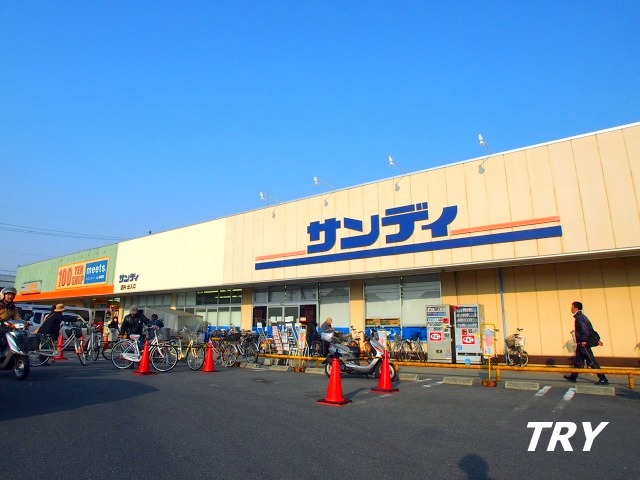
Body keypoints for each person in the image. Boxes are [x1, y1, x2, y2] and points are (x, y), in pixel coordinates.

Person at [563, 301, 609, 385]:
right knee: (578, 360)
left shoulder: (579, 317)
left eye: (572, 307)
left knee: (591, 361)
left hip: (583, 343)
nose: (571, 309)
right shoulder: (581, 316)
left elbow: (585, 330)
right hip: (581, 343)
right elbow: (590, 329)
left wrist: (585, 342)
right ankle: (573, 376)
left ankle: (603, 378)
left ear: (576, 308)